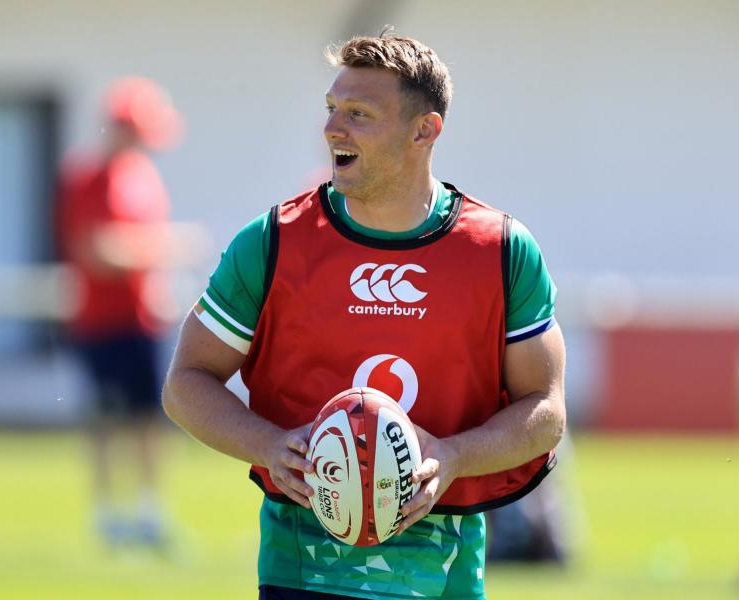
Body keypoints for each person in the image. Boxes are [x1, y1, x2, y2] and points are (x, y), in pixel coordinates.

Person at [163, 31, 566, 599]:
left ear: (424, 130)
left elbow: (546, 412)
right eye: (332, 108)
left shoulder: (499, 250)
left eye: (359, 113)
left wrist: (452, 456)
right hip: (303, 572)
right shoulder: (273, 242)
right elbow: (185, 382)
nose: (333, 128)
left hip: (448, 573)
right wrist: (267, 446)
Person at [57, 76, 187, 549]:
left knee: (150, 416)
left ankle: (149, 512)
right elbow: (96, 253)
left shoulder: (142, 177)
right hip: (100, 320)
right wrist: (166, 248)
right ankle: (107, 512)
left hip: (144, 319)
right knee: (106, 418)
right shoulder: (86, 179)